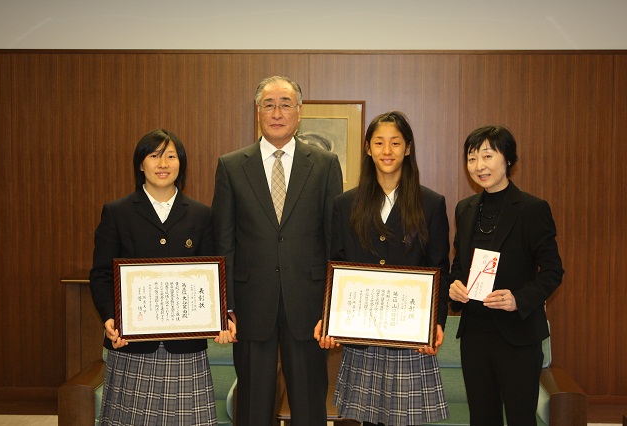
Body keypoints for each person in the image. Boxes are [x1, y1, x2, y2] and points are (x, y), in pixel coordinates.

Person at [211, 75, 343, 426]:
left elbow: (335, 241)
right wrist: (226, 305)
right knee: (253, 402)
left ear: (299, 112)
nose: (277, 111)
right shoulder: (231, 165)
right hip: (252, 302)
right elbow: (224, 242)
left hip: (309, 302)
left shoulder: (325, 164)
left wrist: (333, 307)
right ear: (258, 112)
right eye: (269, 104)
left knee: (309, 402)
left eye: (285, 103)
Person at [89, 128, 235, 425]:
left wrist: (221, 318)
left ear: (181, 164)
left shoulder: (201, 214)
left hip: (185, 347)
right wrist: (109, 319)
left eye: (170, 156)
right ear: (140, 164)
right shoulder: (117, 212)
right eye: (154, 156)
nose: (163, 163)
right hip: (132, 344)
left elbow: (212, 275)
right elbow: (102, 273)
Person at [315, 111, 450, 426]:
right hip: (362, 332)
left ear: (408, 148)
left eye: (395, 143)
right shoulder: (346, 204)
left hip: (411, 334)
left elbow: (439, 268)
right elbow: (335, 265)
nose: (386, 151)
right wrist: (328, 318)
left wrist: (436, 322)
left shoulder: (431, 203)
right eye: (379, 142)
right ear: (367, 148)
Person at [448, 125, 564, 426]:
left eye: (488, 155)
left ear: (508, 159)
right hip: (474, 334)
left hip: (518, 336)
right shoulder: (465, 209)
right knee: (482, 418)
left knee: (520, 418)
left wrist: (518, 299)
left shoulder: (532, 209)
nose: (479, 166)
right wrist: (454, 287)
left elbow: (553, 271)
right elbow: (459, 266)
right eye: (472, 158)